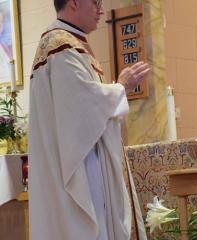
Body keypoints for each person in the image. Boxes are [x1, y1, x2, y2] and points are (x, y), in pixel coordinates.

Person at [28, 0, 150, 239]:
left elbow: (84, 105)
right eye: (95, 2)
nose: (101, 10)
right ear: (74, 2)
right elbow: (81, 106)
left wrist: (113, 92)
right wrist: (120, 86)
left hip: (81, 157)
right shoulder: (60, 46)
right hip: (79, 166)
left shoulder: (69, 43)